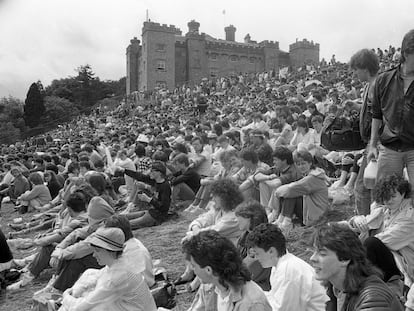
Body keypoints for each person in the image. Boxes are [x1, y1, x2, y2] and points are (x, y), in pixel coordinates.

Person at [310, 223, 403, 311]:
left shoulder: (373, 298)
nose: (312, 258)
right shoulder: (337, 289)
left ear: (344, 259)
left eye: (322, 254)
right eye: (314, 252)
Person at [59, 227, 157, 311]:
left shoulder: (115, 278)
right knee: (89, 274)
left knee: (87, 306)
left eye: (97, 251)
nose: (93, 255)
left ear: (110, 251)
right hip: (136, 307)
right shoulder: (122, 261)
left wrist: (66, 296)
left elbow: (78, 307)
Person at [367, 29, 414, 197]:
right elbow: (377, 115)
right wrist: (372, 145)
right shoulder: (384, 80)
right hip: (390, 148)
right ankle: (381, 224)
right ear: (406, 53)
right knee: (385, 196)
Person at [348, 174, 413, 291]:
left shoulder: (409, 217)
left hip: (402, 269)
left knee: (370, 244)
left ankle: (353, 284)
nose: (388, 200)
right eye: (385, 197)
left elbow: (380, 242)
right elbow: (359, 225)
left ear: (403, 194)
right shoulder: (385, 210)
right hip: (386, 261)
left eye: (393, 196)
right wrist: (356, 220)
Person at [183, 230, 272, 311]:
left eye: (194, 266)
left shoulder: (251, 304)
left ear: (208, 270)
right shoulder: (209, 287)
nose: (192, 269)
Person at [247, 223, 328, 311]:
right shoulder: (281, 264)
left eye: (258, 253)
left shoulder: (288, 272)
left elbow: (279, 309)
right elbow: (273, 297)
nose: (256, 258)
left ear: (271, 251)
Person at [349, 48, 380, 215]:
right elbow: (372, 112)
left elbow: (380, 116)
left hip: (377, 143)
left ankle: (365, 226)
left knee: (363, 187)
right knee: (367, 187)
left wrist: (374, 144)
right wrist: (355, 107)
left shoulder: (376, 86)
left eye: (356, 69)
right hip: (373, 142)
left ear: (365, 68)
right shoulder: (370, 85)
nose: (354, 73)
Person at [272, 150, 329, 230]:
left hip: (317, 217)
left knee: (291, 191)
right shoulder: (309, 174)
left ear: (310, 163)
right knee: (292, 191)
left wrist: (277, 192)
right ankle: (282, 219)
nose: (301, 166)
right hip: (310, 213)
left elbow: (290, 189)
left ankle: (285, 222)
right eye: (298, 164)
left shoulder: (312, 178)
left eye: (303, 163)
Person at [235, 200, 271, 291]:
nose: (236, 220)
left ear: (250, 218)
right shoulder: (245, 236)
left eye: (239, 217)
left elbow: (250, 273)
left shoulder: (263, 241)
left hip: (257, 287)